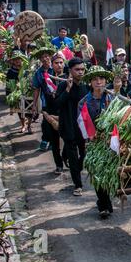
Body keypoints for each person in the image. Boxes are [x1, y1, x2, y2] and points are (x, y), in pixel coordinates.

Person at [79, 66, 114, 217]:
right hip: (94, 143)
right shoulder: (84, 102)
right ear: (90, 83)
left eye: (101, 78)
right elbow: (83, 122)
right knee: (98, 172)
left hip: (111, 141)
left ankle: (105, 201)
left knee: (109, 172)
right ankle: (103, 205)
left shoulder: (112, 98)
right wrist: (93, 136)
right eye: (95, 79)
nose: (98, 81)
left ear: (106, 81)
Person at [55, 57, 88, 196]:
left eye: (82, 69)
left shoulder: (86, 85)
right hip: (68, 126)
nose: (80, 72)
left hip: (82, 127)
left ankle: (70, 161)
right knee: (73, 157)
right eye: (77, 70)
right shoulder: (63, 85)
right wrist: (67, 90)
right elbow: (57, 105)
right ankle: (77, 184)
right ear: (70, 71)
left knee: (84, 154)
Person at [40, 51, 69, 174]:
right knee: (54, 141)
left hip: (65, 114)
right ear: (52, 64)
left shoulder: (68, 78)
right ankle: (58, 165)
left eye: (61, 62)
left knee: (69, 140)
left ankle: (65, 156)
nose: (59, 65)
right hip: (50, 113)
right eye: (56, 63)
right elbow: (43, 94)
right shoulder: (47, 78)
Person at [31, 46, 56, 147]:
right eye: (42, 57)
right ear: (40, 59)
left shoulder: (55, 68)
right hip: (46, 100)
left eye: (46, 56)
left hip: (58, 100)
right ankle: (45, 140)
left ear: (50, 56)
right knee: (46, 120)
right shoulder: (38, 73)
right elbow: (36, 89)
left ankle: (53, 141)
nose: (45, 59)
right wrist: (34, 104)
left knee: (56, 121)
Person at [5, 50, 33, 133]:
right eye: (15, 59)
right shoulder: (10, 72)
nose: (18, 60)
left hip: (27, 92)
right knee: (20, 110)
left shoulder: (27, 70)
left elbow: (30, 80)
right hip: (16, 93)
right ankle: (23, 125)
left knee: (30, 110)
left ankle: (29, 126)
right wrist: (9, 95)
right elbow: (8, 84)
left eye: (19, 58)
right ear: (13, 61)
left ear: (22, 59)